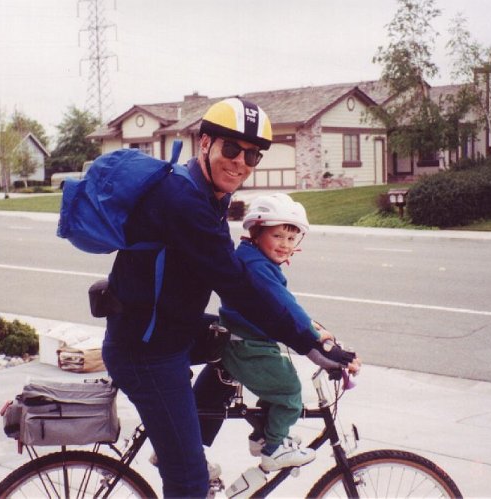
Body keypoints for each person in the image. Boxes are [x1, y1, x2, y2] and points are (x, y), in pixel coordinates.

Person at [101, 97, 357, 498]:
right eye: (232, 149)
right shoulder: (186, 201)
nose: (241, 162)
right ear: (205, 143)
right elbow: (238, 285)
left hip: (167, 330)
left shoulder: (207, 196)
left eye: (252, 155)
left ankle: (198, 436)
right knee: (189, 483)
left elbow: (241, 291)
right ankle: (196, 450)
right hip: (147, 353)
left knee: (235, 339)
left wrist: (304, 333)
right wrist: (308, 343)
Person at [213, 194, 361, 471]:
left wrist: (316, 330)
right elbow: (285, 306)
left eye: (292, 239)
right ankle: (273, 450)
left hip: (248, 344)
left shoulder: (253, 258)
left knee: (276, 391)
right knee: (290, 393)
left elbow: (282, 307)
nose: (285, 245)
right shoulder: (257, 266)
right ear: (256, 232)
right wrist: (317, 340)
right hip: (249, 347)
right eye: (278, 236)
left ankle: (263, 437)